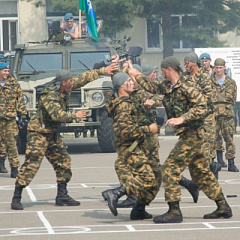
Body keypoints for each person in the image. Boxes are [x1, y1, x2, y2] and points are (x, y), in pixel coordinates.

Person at [128, 56, 232, 223]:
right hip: (188, 135)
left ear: (170, 70)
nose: (161, 75)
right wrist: (133, 72)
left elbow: (202, 106)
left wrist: (182, 118)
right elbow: (151, 86)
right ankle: (223, 207)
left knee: (169, 169)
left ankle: (174, 211)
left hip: (194, 134)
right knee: (201, 174)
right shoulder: (168, 86)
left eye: (163, 72)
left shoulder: (187, 85)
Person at [11, 63, 119, 210]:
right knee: (32, 165)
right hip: (39, 133)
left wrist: (103, 71)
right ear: (63, 83)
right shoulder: (49, 95)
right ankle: (16, 197)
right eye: (70, 82)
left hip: (52, 134)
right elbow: (57, 115)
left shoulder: (66, 87)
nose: (73, 84)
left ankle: (62, 195)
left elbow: (84, 78)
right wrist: (75, 115)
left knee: (63, 162)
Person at [102, 72, 161, 220]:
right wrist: (149, 129)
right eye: (129, 80)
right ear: (122, 85)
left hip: (133, 147)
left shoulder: (125, 101)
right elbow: (125, 131)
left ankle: (139, 210)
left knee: (152, 181)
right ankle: (115, 193)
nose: (133, 82)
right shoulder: (123, 105)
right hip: (130, 148)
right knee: (148, 179)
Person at [116, 64, 162, 209]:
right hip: (135, 137)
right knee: (131, 167)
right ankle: (133, 198)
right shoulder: (124, 95)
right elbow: (117, 79)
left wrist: (153, 101)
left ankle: (187, 183)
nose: (131, 81)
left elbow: (160, 97)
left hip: (147, 138)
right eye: (129, 79)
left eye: (133, 78)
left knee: (154, 170)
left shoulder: (141, 93)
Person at [183, 52, 222, 178]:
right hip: (192, 120)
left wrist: (194, 101)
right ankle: (211, 169)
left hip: (206, 119)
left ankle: (208, 175)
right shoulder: (184, 77)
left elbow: (208, 97)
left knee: (206, 150)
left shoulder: (204, 77)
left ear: (194, 63)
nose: (185, 66)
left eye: (187, 63)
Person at [211, 58, 239, 172]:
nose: (218, 70)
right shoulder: (209, 82)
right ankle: (217, 162)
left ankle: (231, 162)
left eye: (220, 68)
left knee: (229, 139)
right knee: (214, 139)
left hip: (227, 115)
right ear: (214, 68)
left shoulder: (231, 82)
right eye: (217, 68)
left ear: (224, 68)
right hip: (214, 115)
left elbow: (233, 99)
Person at [0, 62, 27, 178]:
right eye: (4, 71)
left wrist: (23, 115)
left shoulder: (13, 84)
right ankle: (1, 163)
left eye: (7, 71)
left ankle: (15, 168)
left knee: (12, 145)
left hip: (9, 119)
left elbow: (20, 99)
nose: (6, 73)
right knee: (1, 144)